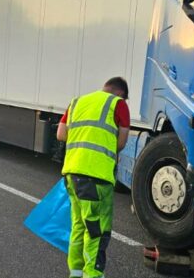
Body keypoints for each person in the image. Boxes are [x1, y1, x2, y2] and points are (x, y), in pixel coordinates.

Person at [56, 77, 130, 278]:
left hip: (71, 173)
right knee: (97, 231)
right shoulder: (118, 104)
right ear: (120, 93)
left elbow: (61, 134)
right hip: (96, 177)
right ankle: (92, 275)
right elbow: (121, 143)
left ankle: (76, 273)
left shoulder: (77, 102)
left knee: (79, 226)